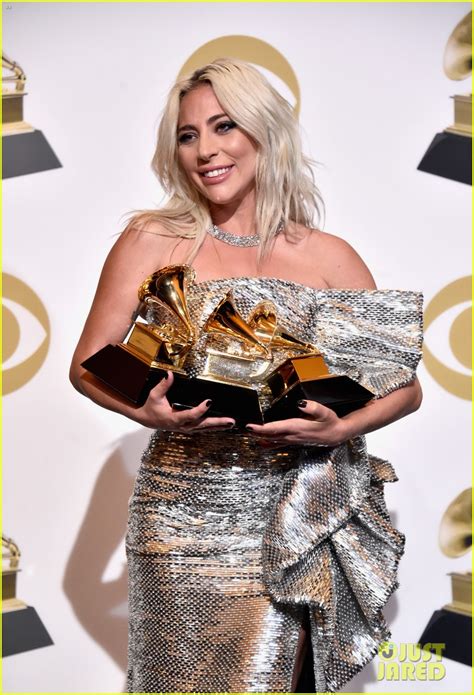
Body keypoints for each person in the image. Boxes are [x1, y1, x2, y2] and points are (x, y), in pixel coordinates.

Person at [70, 58, 423, 693]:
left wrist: (337, 429)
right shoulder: (152, 239)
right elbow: (89, 363)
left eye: (223, 127)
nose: (205, 150)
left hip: (289, 520)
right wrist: (143, 411)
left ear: (264, 133)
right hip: (177, 518)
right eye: (187, 134)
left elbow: (403, 388)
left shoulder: (328, 256)